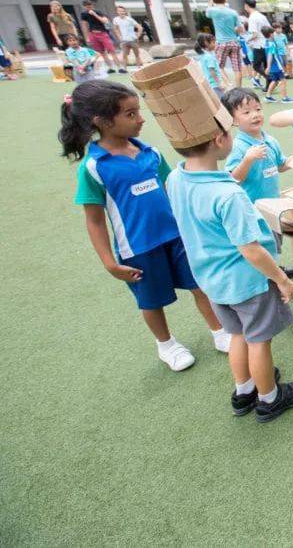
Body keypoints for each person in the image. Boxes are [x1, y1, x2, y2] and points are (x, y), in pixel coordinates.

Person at [60, 80, 229, 373]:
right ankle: (166, 345)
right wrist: (109, 263)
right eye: (130, 114)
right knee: (151, 301)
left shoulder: (151, 153)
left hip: (177, 237)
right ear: (102, 121)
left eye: (138, 111)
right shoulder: (94, 167)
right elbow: (94, 220)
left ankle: (219, 330)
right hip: (137, 248)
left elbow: (173, 189)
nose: (140, 119)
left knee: (200, 284)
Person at [165, 120, 293, 423]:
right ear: (219, 139)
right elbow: (251, 250)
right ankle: (270, 398)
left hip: (212, 279)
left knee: (237, 334)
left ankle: (244, 390)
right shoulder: (228, 194)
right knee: (259, 339)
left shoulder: (176, 177)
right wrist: (281, 279)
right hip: (246, 281)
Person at [222, 87, 293, 280]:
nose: (255, 115)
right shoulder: (238, 147)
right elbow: (233, 179)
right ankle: (269, 276)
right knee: (261, 245)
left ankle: (274, 269)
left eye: (257, 109)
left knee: (275, 241)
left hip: (273, 205)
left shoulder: (270, 140)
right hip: (252, 210)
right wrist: (248, 159)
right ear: (233, 120)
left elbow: (281, 165)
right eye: (246, 112)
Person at [207, 0, 244, 88]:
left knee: (219, 66)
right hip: (234, 42)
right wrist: (233, 30)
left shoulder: (212, 11)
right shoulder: (233, 12)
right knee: (237, 69)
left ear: (214, 0)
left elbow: (207, 12)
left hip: (221, 42)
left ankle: (228, 85)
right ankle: (239, 89)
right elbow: (240, 29)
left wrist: (210, 0)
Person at [80, 0, 125, 74]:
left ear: (92, 5)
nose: (89, 8)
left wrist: (94, 14)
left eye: (90, 6)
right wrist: (87, 37)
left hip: (102, 33)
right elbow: (84, 25)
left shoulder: (98, 12)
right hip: (92, 34)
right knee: (102, 52)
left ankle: (120, 67)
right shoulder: (84, 14)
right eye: (87, 7)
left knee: (111, 50)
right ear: (84, 7)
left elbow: (105, 21)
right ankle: (110, 67)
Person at [243, 0, 271, 90]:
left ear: (246, 6)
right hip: (266, 43)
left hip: (259, 45)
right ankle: (268, 86)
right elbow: (269, 29)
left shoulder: (252, 17)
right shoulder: (262, 16)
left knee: (256, 66)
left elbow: (254, 34)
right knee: (266, 65)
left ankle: (269, 78)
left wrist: (248, 40)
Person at [261, 25, 289, 102]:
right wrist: (268, 66)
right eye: (273, 33)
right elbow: (270, 55)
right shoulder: (272, 44)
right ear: (271, 34)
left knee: (275, 80)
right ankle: (285, 98)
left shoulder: (266, 43)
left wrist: (269, 67)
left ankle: (268, 96)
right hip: (276, 66)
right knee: (283, 80)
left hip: (273, 67)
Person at [195, 33, 228, 98]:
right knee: (222, 101)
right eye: (213, 42)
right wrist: (219, 84)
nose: (215, 44)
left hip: (211, 84)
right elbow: (212, 71)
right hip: (215, 85)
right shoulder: (209, 57)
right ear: (206, 43)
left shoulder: (203, 56)